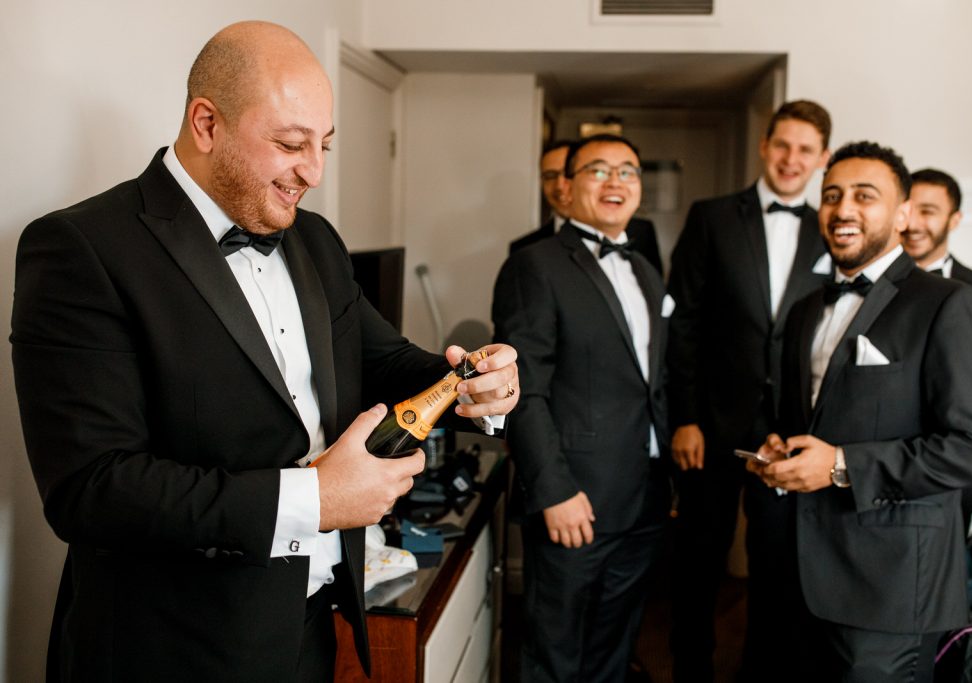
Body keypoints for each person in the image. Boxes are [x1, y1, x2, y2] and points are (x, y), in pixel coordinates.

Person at [10, 21, 519, 682]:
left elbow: (385, 362)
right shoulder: (82, 248)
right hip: (169, 648)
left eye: (324, 145)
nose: (313, 171)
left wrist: (474, 380)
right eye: (289, 144)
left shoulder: (317, 241)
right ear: (206, 123)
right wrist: (316, 499)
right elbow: (92, 489)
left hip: (310, 629)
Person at [748, 141, 972, 682]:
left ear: (903, 213)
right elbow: (810, 422)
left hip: (891, 585)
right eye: (832, 196)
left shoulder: (950, 303)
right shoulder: (804, 310)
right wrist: (782, 451)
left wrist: (841, 464)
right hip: (799, 574)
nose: (843, 209)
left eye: (865, 196)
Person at [493, 133, 670, 682]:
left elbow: (650, 384)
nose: (616, 181)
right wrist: (553, 491)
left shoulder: (645, 269)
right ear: (567, 188)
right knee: (556, 654)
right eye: (599, 169)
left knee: (613, 652)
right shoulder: (534, 265)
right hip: (576, 499)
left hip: (643, 497)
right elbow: (524, 390)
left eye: (628, 171)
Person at [665, 99, 832, 681]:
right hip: (710, 424)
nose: (791, 159)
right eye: (783, 144)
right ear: (764, 146)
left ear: (822, 158)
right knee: (698, 560)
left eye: (806, 150)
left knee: (777, 565)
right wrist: (684, 417)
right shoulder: (712, 217)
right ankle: (690, 672)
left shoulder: (829, 229)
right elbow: (683, 322)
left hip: (789, 431)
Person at [903, 168, 972, 533]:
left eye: (928, 211)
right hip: (875, 467)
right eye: (909, 209)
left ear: (954, 219)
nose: (913, 223)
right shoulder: (867, 285)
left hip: (954, 471)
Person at [510, 139, 664, 274]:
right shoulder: (525, 253)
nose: (560, 186)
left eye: (566, 173)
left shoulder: (641, 244)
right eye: (550, 176)